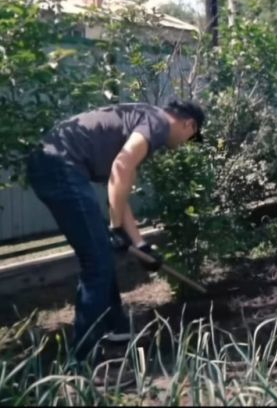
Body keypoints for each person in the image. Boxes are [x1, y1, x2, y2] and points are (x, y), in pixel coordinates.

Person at [26, 99, 205, 361]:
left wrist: (139, 243)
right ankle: (82, 358)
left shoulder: (141, 119)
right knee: (97, 262)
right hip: (60, 165)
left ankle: (116, 328)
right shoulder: (157, 123)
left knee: (102, 254)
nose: (185, 144)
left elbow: (118, 190)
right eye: (192, 137)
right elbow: (122, 167)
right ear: (189, 124)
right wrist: (115, 226)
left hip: (53, 163)